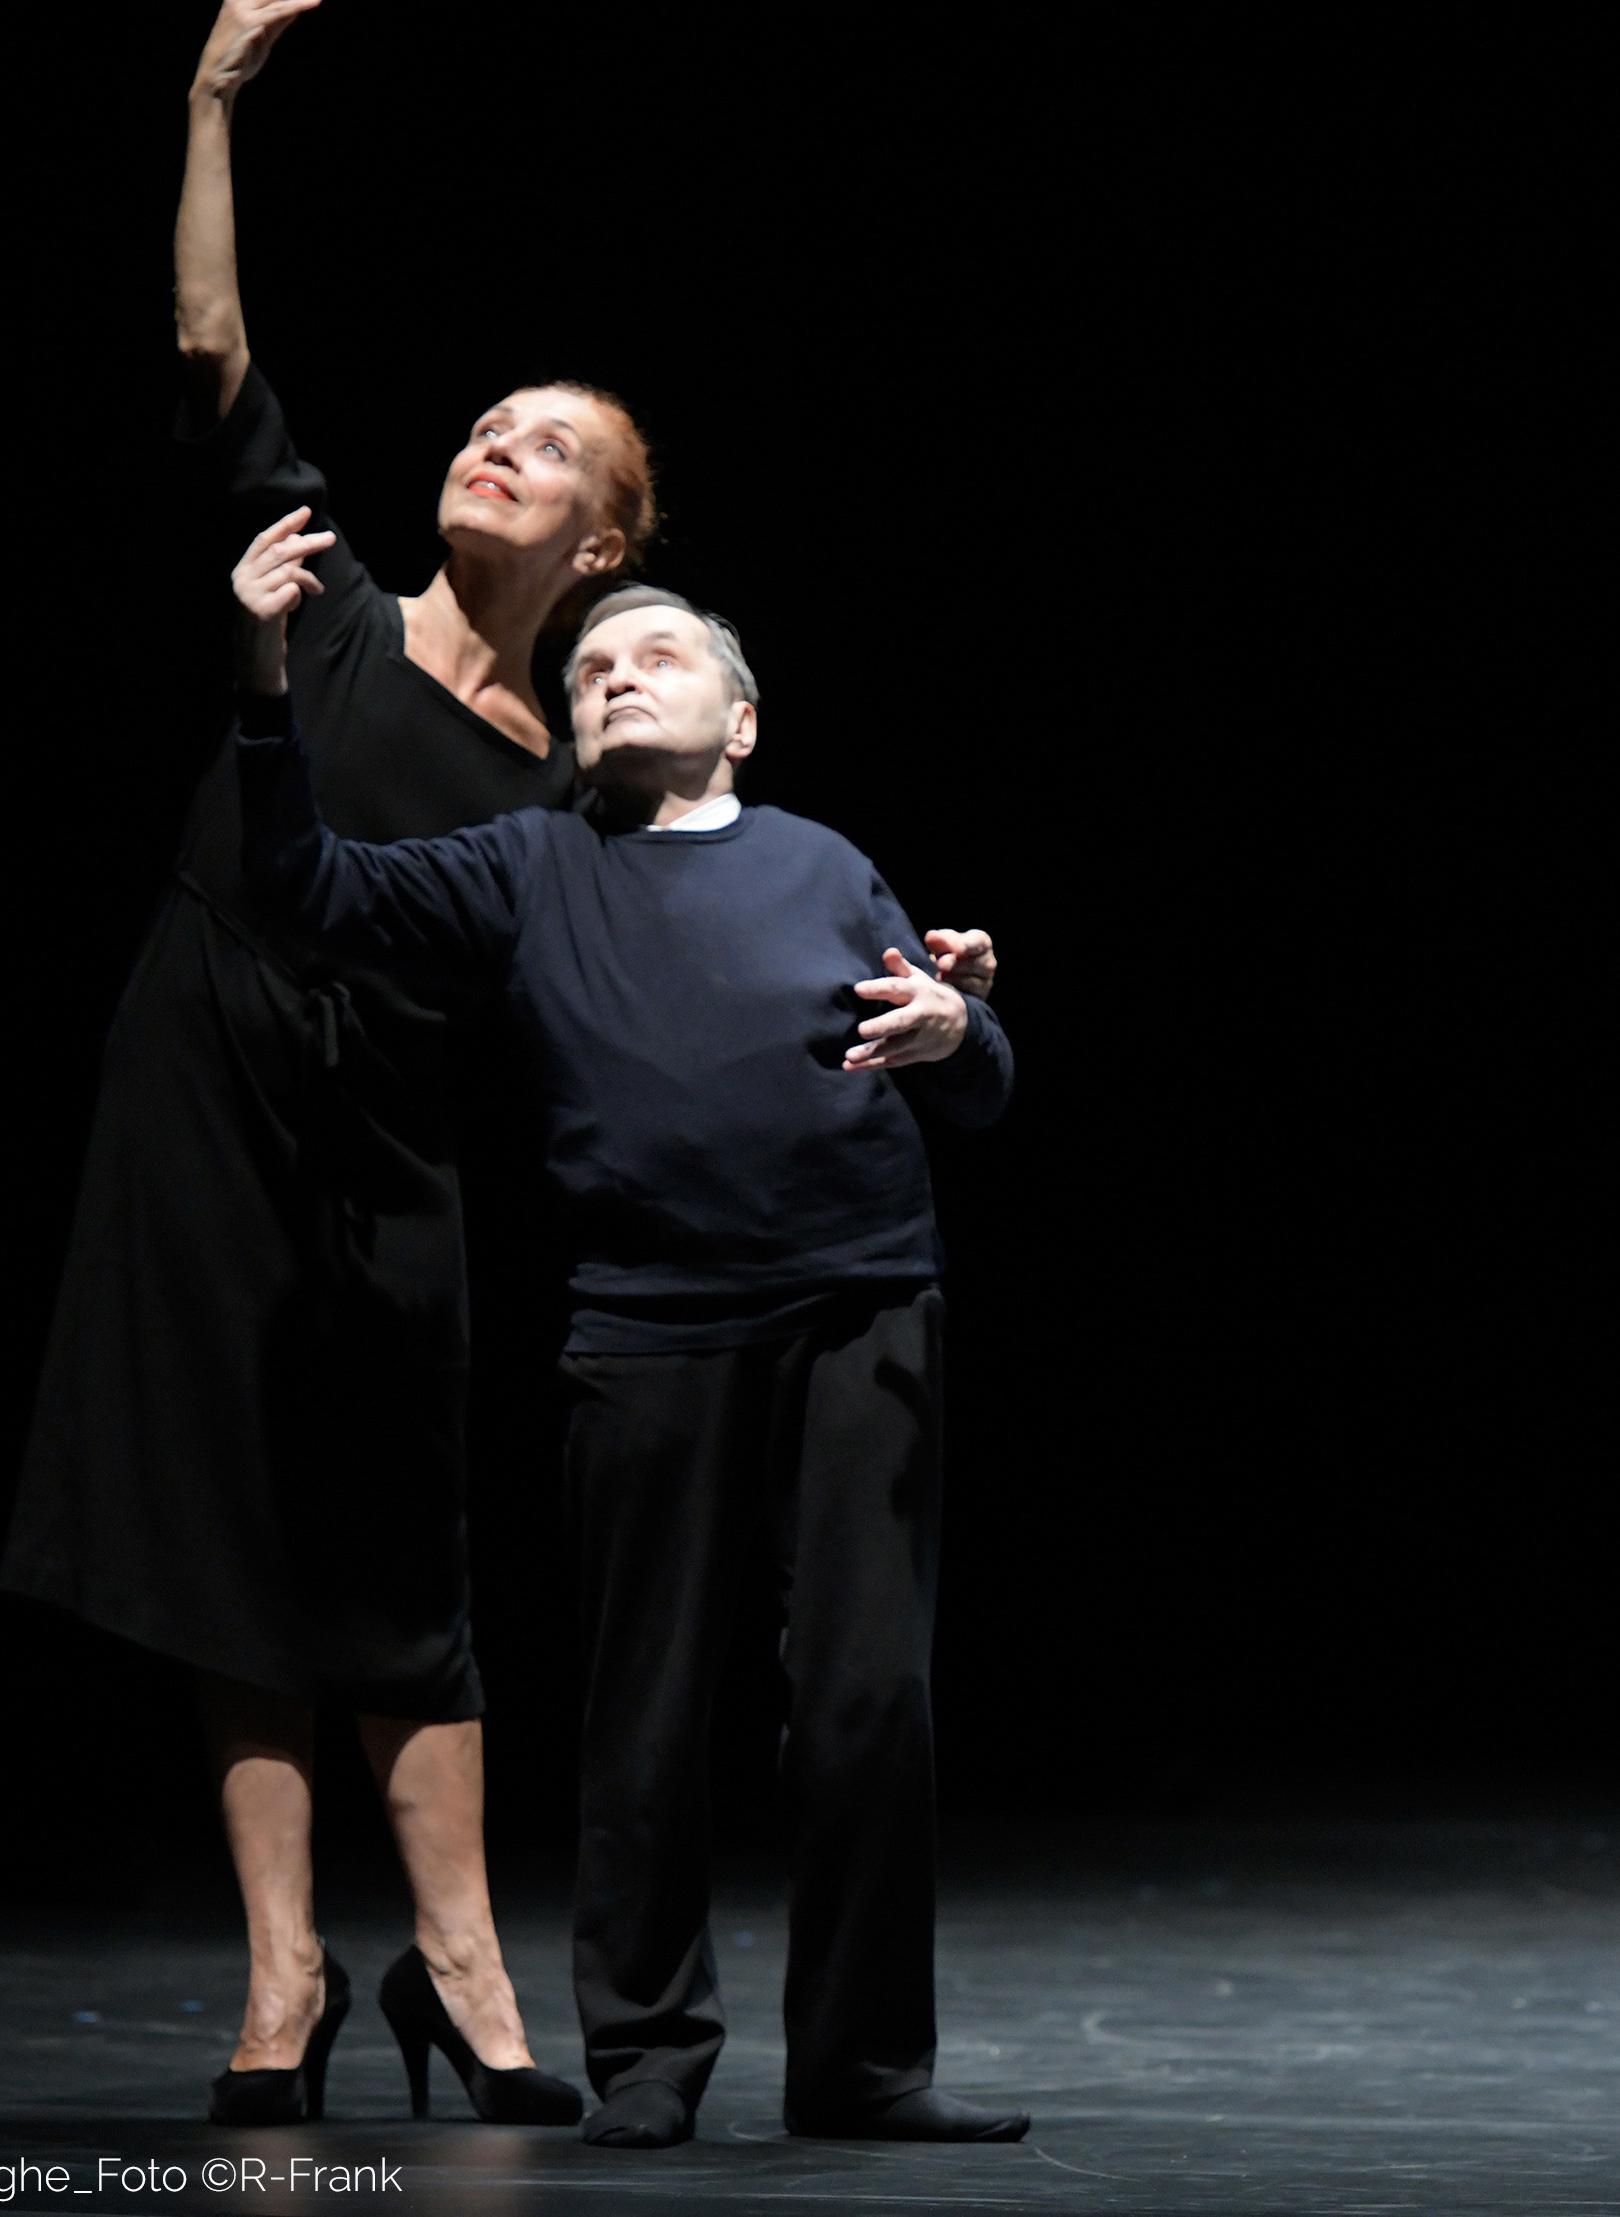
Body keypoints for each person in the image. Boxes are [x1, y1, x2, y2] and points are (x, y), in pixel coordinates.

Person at [0, 0, 997, 2127]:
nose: (487, 443)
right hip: (208, 1069)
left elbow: (725, 929)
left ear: (606, 532)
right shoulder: (324, 601)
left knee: (398, 1533)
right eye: (481, 421)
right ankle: (282, 1975)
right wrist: (209, 99)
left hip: (397, 1128)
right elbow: (206, 339)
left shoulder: (592, 774)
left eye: (540, 447)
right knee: (211, 1517)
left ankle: (458, 1961)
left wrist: (930, 1007)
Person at [225, 542, 1032, 2152]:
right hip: (654, 1329)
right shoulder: (529, 865)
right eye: (589, 667)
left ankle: (865, 2064)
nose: (609, 673)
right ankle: (650, 2055)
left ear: (741, 720)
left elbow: (972, 1076)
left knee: (870, 1696)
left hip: (860, 1305)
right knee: (648, 1705)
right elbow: (302, 886)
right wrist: (265, 687)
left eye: (651, 655)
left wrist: (965, 1029)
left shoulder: (823, 858)